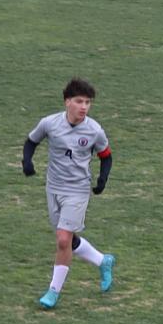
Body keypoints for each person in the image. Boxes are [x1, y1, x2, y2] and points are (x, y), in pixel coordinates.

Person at [21, 78, 116, 310]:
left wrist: (102, 179)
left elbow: (106, 155)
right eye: (79, 101)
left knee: (63, 239)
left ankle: (53, 292)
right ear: (67, 102)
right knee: (69, 241)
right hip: (53, 188)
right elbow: (31, 141)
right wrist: (27, 161)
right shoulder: (50, 123)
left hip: (77, 190)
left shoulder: (94, 130)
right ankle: (103, 261)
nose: (84, 107)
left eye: (88, 102)